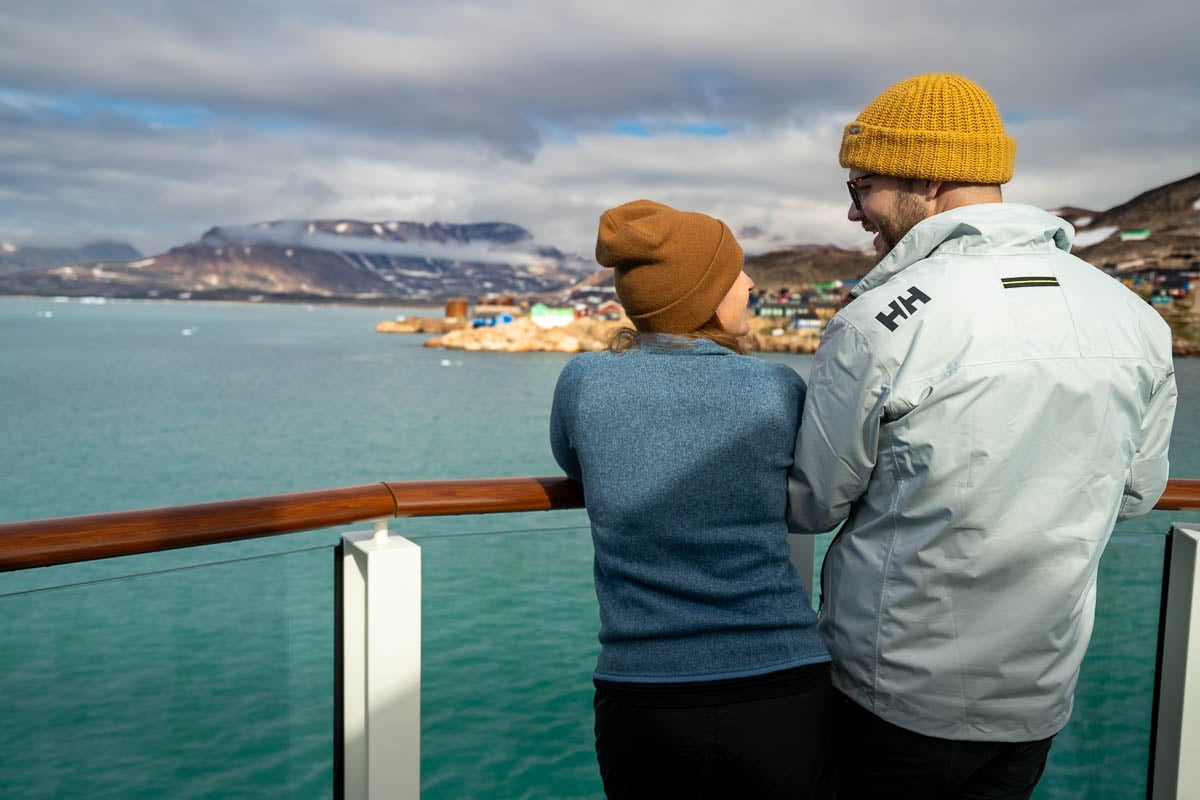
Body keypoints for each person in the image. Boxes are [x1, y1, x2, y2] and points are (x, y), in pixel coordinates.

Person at [787, 73, 1177, 799]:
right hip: (1038, 691)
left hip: (895, 691)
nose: (851, 213)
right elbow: (1137, 491)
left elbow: (813, 503)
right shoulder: (1132, 316)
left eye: (861, 185)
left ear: (928, 178)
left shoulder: (879, 323)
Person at [550, 199, 833, 799]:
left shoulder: (583, 382)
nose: (751, 283)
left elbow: (573, 464)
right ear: (700, 294)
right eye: (735, 276)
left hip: (644, 693)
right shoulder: (777, 388)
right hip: (781, 681)